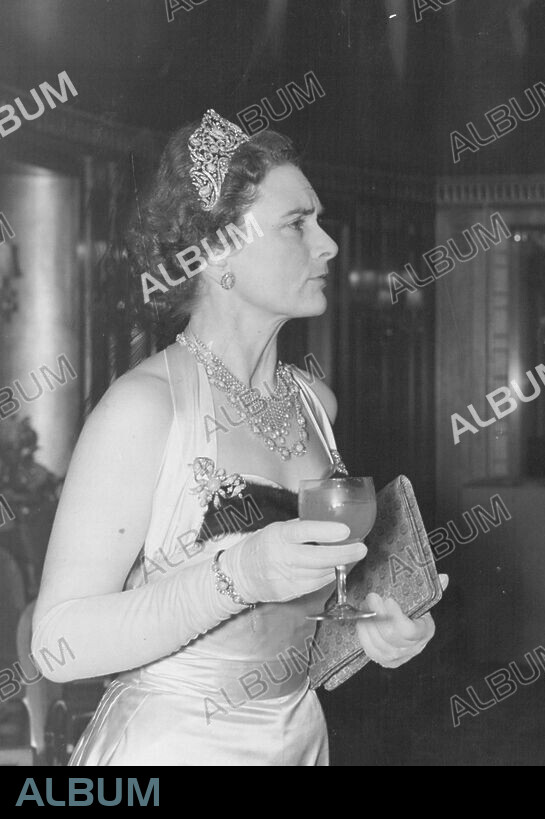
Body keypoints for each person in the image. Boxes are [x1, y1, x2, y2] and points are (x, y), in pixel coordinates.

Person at [32, 110, 440, 765]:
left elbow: (285, 627)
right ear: (218, 249)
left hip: (300, 739)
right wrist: (241, 571)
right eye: (297, 224)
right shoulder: (145, 406)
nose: (329, 244)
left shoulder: (314, 402)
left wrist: (370, 630)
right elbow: (57, 643)